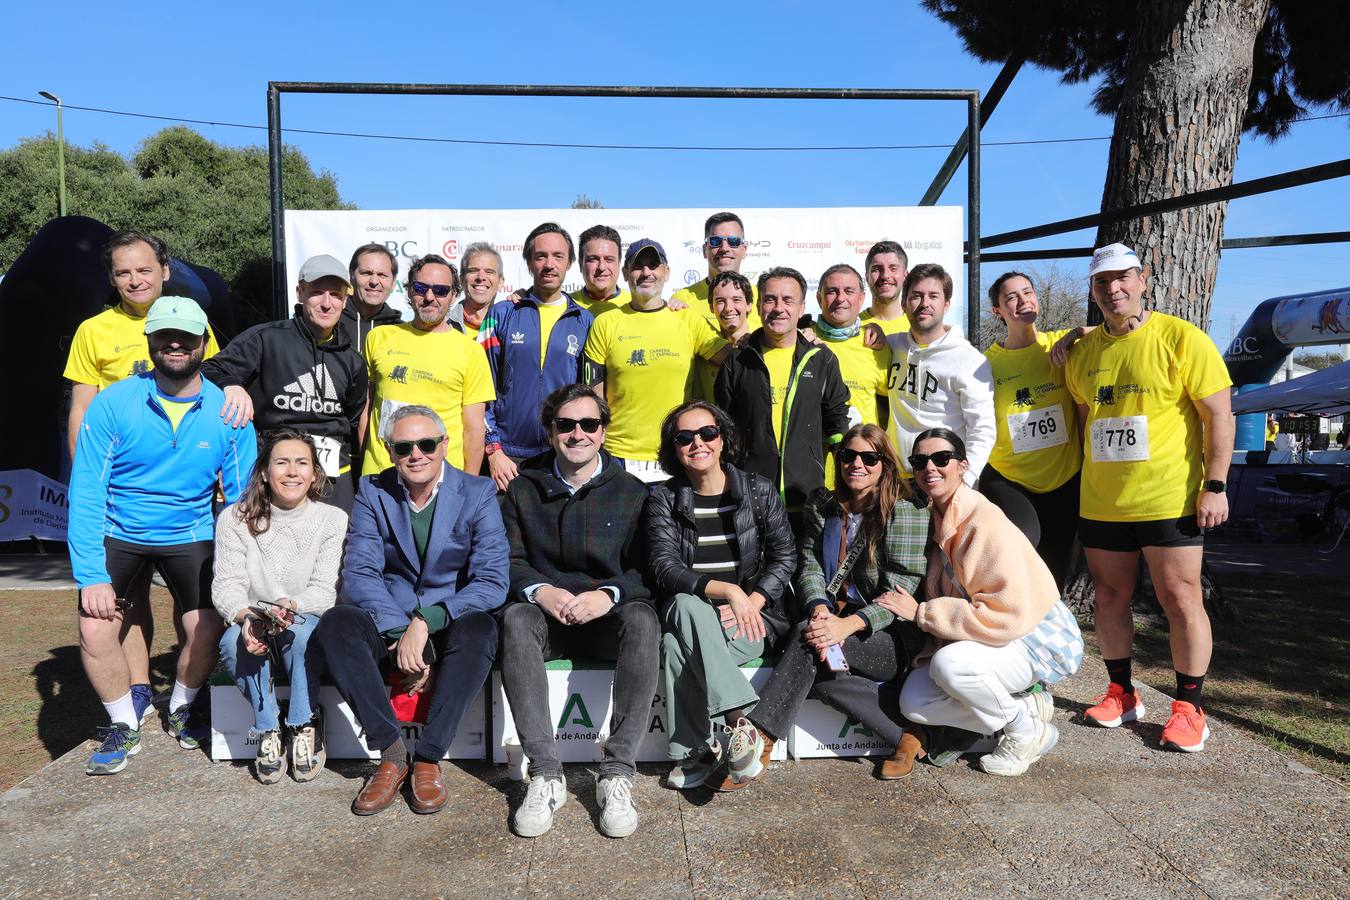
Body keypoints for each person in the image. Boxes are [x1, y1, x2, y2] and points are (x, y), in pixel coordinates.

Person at [70, 296, 258, 775]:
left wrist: (242, 576)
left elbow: (240, 505)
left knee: (207, 628)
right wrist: (91, 575)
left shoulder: (228, 411)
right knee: (95, 626)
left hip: (190, 530)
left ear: (203, 343)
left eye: (187, 337)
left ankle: (180, 706)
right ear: (150, 341)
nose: (175, 344)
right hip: (121, 529)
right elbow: (87, 490)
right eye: (164, 336)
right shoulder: (114, 402)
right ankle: (123, 722)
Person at [1064, 243, 1233, 753]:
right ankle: (1121, 691)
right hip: (1103, 502)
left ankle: (1189, 707)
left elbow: (1219, 416)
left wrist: (1216, 484)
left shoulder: (1182, 338)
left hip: (1170, 499)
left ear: (1143, 279)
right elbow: (1083, 417)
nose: (1112, 289)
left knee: (1181, 599)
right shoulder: (1082, 352)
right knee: (1109, 598)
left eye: (1122, 279)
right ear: (1092, 292)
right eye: (1101, 282)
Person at [64, 231, 227, 720]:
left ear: (164, 271)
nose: (134, 279)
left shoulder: (193, 321)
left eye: (143, 269)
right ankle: (136, 690)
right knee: (127, 604)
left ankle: (185, 696)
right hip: (122, 486)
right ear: (112, 279)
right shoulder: (93, 330)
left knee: (192, 606)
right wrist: (88, 476)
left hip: (184, 491)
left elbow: (214, 383)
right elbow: (81, 407)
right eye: (123, 272)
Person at [315, 405, 507, 816]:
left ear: (444, 445)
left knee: (482, 630)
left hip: (450, 618)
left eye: (426, 444)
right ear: (389, 451)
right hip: (390, 618)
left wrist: (427, 621)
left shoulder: (478, 492)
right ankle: (391, 752)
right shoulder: (372, 490)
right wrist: (398, 632)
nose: (416, 454)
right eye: (404, 446)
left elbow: (491, 580)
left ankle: (429, 757)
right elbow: (360, 573)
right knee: (337, 623)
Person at [498, 384, 659, 839]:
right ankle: (546, 773)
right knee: (514, 618)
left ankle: (617, 773)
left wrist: (608, 594)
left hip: (605, 617)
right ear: (550, 433)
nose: (578, 434)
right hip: (547, 617)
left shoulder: (631, 491)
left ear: (604, 432)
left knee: (644, 619)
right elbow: (506, 561)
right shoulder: (523, 489)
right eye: (566, 425)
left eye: (589, 424)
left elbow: (647, 568)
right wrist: (538, 590)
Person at [735, 425, 929, 788]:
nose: (857, 464)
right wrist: (820, 606)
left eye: (869, 458)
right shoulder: (822, 504)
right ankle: (906, 734)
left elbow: (898, 594)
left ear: (885, 465)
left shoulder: (906, 512)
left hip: (889, 636)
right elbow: (807, 562)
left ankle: (757, 737)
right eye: (848, 456)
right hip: (831, 621)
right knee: (817, 667)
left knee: (806, 639)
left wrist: (847, 625)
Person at [891, 428, 1083, 777]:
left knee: (949, 666)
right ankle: (1025, 710)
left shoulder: (983, 519)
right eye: (920, 461)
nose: (929, 468)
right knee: (915, 703)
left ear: (963, 466)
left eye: (941, 459)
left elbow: (1005, 615)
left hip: (1031, 638)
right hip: (988, 636)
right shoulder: (936, 517)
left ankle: (1022, 734)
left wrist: (922, 613)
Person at [645, 402, 796, 790]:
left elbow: (785, 555)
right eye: (685, 437)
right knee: (683, 605)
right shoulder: (663, 498)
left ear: (723, 438)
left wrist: (754, 601)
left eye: (707, 433)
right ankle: (738, 720)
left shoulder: (758, 491)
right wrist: (729, 590)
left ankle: (693, 753)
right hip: (697, 611)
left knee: (673, 646)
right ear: (673, 448)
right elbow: (664, 565)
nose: (698, 443)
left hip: (750, 619)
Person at [213, 428, 347, 784]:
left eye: (302, 463)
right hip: (255, 615)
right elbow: (227, 585)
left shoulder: (332, 520)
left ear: (315, 473)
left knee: (301, 635)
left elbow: (324, 590)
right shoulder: (234, 519)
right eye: (282, 462)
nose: (292, 471)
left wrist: (292, 605)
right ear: (264, 472)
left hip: (304, 616)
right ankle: (268, 727)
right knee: (231, 642)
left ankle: (304, 723)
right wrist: (247, 616)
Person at [202, 254, 367, 512]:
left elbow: (354, 417)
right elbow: (210, 368)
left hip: (333, 477)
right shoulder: (267, 338)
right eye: (317, 292)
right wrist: (231, 385)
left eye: (335, 295)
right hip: (276, 473)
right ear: (300, 293)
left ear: (345, 300)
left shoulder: (353, 360)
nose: (326, 303)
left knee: (335, 550)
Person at [715, 266, 851, 532]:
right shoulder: (737, 360)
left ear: (801, 309)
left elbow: (837, 425)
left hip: (808, 500)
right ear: (758, 306)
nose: (779, 308)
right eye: (770, 299)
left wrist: (843, 489)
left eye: (788, 300)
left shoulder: (822, 360)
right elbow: (723, 429)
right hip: (750, 500)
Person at [583, 239, 730, 483]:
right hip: (619, 456)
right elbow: (594, 397)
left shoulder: (687, 318)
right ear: (626, 273)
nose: (646, 273)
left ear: (667, 272)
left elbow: (733, 361)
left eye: (654, 265)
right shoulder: (605, 323)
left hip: (678, 452)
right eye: (638, 266)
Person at [979, 271, 1084, 589]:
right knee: (1020, 553)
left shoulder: (1063, 345)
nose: (1023, 300)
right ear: (998, 311)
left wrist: (1079, 330)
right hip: (1011, 478)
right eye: (1011, 297)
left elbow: (1118, 332)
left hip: (1064, 477)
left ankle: (1046, 635)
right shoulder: (987, 364)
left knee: (1054, 570)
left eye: (1028, 292)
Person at [479, 224, 594, 490]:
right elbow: (480, 390)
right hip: (507, 458)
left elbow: (589, 395)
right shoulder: (501, 314)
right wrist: (493, 449)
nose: (549, 264)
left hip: (563, 455)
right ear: (529, 263)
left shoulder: (585, 321)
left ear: (569, 264)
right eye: (540, 256)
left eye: (558, 256)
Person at [361, 253, 495, 476]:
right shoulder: (378, 338)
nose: (430, 297)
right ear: (409, 290)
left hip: (441, 481)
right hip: (380, 478)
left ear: (453, 296)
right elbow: (367, 410)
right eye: (421, 288)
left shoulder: (470, 351)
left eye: (441, 290)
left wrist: (468, 487)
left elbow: (474, 430)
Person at [882, 263, 995, 484]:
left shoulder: (969, 359)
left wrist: (965, 480)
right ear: (904, 303)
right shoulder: (890, 346)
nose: (925, 303)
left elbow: (982, 428)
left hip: (945, 480)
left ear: (947, 304)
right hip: (897, 478)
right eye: (916, 295)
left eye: (933, 296)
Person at [811, 264, 892, 491]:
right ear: (819, 298)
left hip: (864, 475)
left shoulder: (877, 345)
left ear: (862, 298)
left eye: (849, 291)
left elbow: (893, 410)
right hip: (813, 474)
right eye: (832, 291)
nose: (840, 298)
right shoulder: (800, 339)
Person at [670, 211, 762, 330]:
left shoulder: (762, 297)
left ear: (744, 250)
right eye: (715, 241)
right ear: (704, 250)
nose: (724, 248)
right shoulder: (682, 299)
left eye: (733, 241)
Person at [693, 271, 753, 402]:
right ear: (711, 307)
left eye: (736, 300)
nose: (728, 308)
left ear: (749, 305)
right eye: (720, 301)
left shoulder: (765, 342)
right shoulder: (705, 344)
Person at [339, 243, 405, 353]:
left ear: (393, 282)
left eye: (382, 275)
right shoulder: (331, 321)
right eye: (366, 273)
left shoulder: (402, 331)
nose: (374, 281)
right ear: (351, 276)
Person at [569, 225, 630, 316]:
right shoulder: (566, 305)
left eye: (609, 259)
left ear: (619, 263)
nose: (601, 267)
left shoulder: (636, 304)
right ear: (580, 264)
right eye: (593, 259)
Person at [448, 242, 503, 337]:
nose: (481, 277)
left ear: (500, 282)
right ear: (461, 279)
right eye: (473, 271)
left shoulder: (511, 325)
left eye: (489, 272)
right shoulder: (442, 325)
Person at [859, 240, 911, 336]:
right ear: (866, 277)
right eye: (877, 269)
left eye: (893, 269)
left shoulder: (918, 325)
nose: (885, 276)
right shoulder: (852, 327)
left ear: (905, 276)